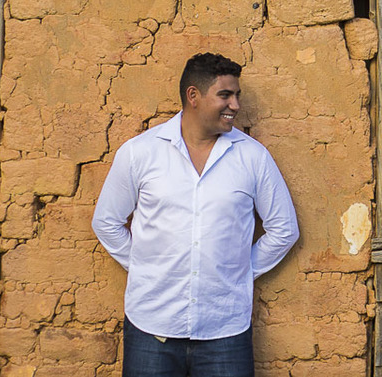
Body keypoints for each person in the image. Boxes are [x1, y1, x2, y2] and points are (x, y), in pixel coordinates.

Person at [92, 53, 299, 377]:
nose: (235, 105)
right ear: (193, 96)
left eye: (237, 95)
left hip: (225, 329)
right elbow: (106, 222)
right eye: (225, 95)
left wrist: (240, 271)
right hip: (152, 326)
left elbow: (284, 229)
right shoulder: (140, 153)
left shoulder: (252, 157)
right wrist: (147, 268)